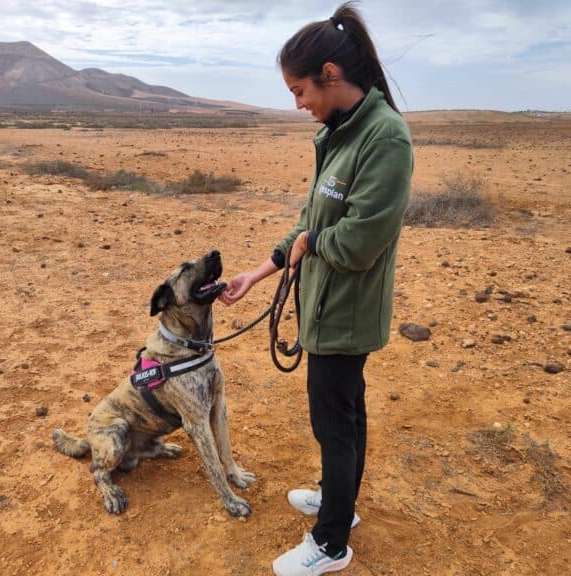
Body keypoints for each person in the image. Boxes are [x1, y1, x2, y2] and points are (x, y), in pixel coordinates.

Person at [219, 3, 412, 575]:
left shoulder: (385, 138)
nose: (297, 103)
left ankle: (331, 543)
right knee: (343, 415)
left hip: (346, 313)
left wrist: (309, 247)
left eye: (300, 90)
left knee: (334, 419)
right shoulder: (339, 135)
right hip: (324, 305)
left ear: (330, 74)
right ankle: (339, 501)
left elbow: (358, 240)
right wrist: (261, 271)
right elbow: (310, 220)